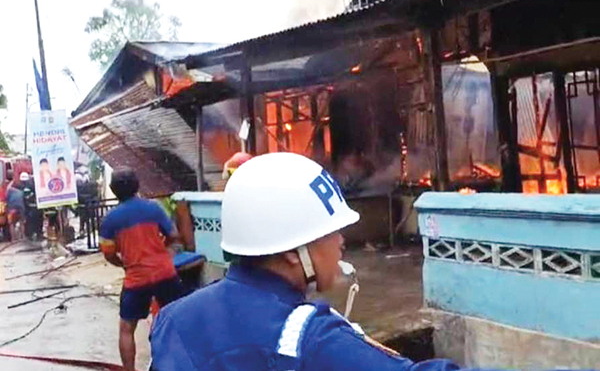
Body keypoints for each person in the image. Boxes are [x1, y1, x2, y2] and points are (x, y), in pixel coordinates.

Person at [150, 153, 452, 370]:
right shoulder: (310, 340)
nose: (341, 242)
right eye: (331, 232)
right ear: (292, 252)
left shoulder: (172, 319)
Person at [99, 167, 184, 371]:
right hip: (165, 272)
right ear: (137, 185)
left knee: (127, 328)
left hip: (136, 278)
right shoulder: (153, 208)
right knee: (176, 321)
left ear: (113, 189)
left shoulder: (111, 219)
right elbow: (173, 235)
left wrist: (124, 264)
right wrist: (160, 252)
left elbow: (108, 253)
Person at [6, 175, 25, 241]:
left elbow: (7, 192)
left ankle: (13, 239)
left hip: (12, 208)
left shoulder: (9, 191)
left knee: (11, 223)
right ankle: (22, 237)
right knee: (22, 222)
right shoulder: (21, 191)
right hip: (21, 207)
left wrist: (11, 181)